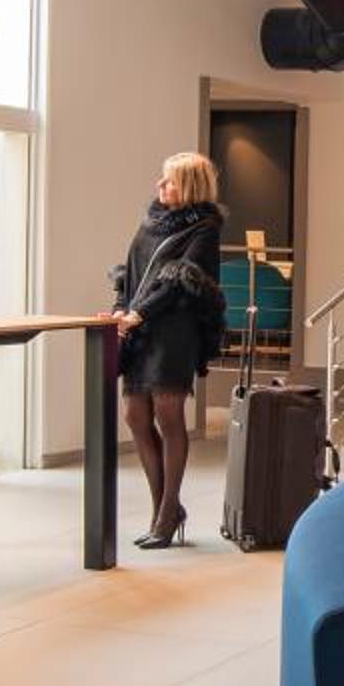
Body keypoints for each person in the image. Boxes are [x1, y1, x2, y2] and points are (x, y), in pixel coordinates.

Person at [114, 151, 226, 550]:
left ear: (190, 187)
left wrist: (140, 313)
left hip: (175, 332)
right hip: (140, 329)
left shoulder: (205, 228)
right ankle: (167, 508)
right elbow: (130, 273)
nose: (160, 185)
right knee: (134, 415)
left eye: (170, 181)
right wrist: (120, 309)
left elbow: (180, 282)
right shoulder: (151, 221)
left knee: (168, 415)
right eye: (162, 178)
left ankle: (164, 516)